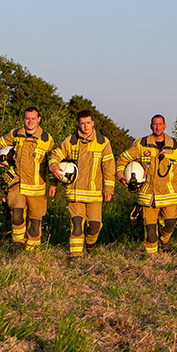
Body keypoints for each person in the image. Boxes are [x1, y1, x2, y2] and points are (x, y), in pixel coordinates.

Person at [116, 115, 177, 256]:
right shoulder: (142, 144)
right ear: (151, 126)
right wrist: (120, 175)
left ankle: (165, 240)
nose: (157, 127)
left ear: (165, 126)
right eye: (155, 124)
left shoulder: (175, 145)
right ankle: (152, 259)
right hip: (148, 196)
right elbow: (123, 158)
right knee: (150, 232)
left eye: (160, 124)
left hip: (169, 195)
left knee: (170, 223)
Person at [50, 109, 116, 259]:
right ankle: (75, 256)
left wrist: (109, 189)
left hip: (95, 194)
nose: (85, 126)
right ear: (78, 124)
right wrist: (54, 167)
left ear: (93, 123)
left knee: (95, 225)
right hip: (75, 193)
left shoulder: (103, 142)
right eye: (82, 123)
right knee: (77, 225)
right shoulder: (70, 141)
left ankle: (90, 245)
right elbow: (55, 156)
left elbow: (109, 167)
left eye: (88, 123)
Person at [0, 107, 56, 253]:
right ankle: (18, 245)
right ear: (23, 119)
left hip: (36, 187)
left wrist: (53, 184)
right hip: (17, 184)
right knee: (16, 215)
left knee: (35, 221)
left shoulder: (46, 139)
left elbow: (52, 163)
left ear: (39, 119)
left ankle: (33, 249)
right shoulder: (16, 134)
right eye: (27, 118)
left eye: (33, 118)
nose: (30, 121)